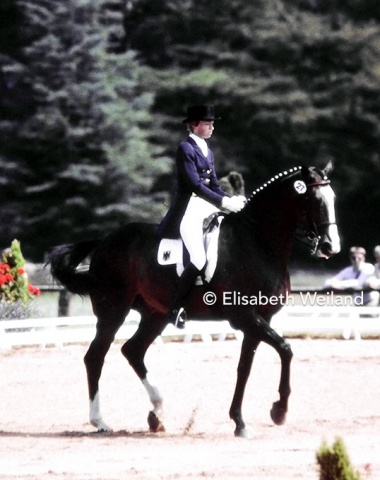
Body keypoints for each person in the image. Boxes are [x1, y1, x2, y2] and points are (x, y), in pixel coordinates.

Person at [158, 105, 246, 328]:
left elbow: (214, 185)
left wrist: (232, 199)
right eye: (208, 123)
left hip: (208, 207)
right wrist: (223, 202)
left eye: (212, 123)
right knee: (198, 258)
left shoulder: (207, 149)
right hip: (189, 209)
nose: (212, 127)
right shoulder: (185, 148)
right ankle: (176, 308)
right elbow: (195, 185)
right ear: (194, 125)